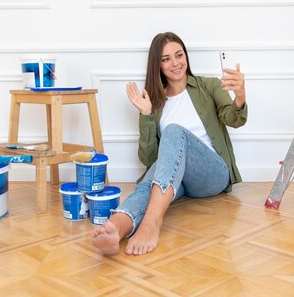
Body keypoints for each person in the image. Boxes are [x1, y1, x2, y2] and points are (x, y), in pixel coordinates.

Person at [91, 32, 248, 256]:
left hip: (212, 175)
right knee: (151, 180)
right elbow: (150, 159)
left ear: (186, 56)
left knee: (174, 132)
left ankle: (152, 222)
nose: (175, 63)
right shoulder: (155, 103)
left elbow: (235, 119)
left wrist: (240, 97)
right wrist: (146, 114)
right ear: (158, 65)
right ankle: (117, 226)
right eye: (166, 59)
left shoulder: (209, 86)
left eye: (178, 55)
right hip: (179, 180)